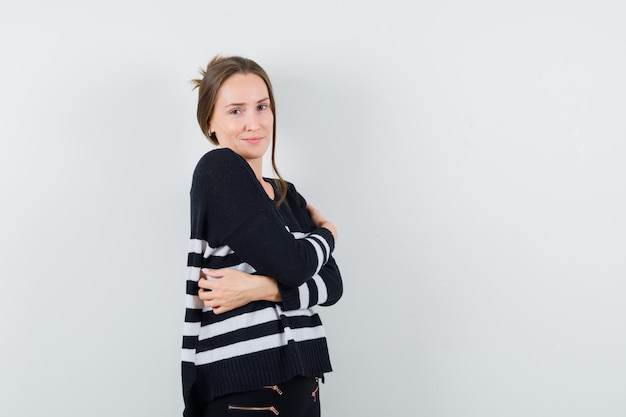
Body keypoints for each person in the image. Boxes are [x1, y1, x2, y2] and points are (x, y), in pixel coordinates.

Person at [182, 55, 343, 417]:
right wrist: (329, 234)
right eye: (235, 111)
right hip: (245, 382)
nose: (253, 123)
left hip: (302, 377)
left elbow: (333, 284)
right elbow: (296, 264)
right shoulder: (218, 171)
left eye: (262, 107)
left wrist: (259, 289)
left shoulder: (287, 194)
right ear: (210, 123)